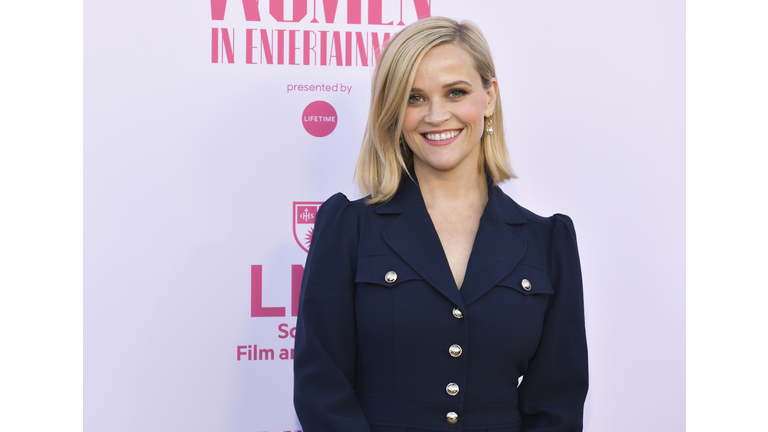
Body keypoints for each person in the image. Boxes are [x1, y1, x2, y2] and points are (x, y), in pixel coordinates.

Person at [293, 16, 588, 432]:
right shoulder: (347, 228)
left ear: (489, 97)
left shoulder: (548, 241)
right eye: (414, 98)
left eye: (456, 92)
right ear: (393, 111)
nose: (436, 115)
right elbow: (321, 388)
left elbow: (557, 403)